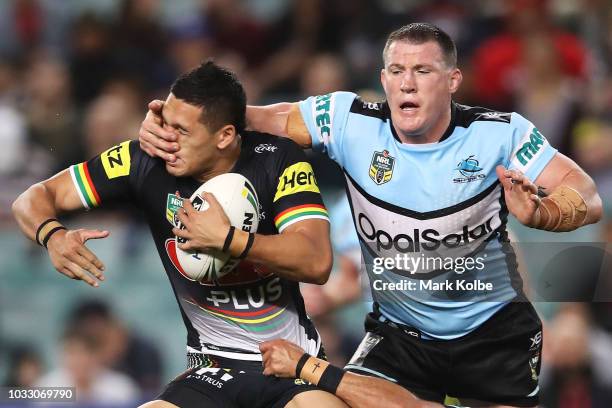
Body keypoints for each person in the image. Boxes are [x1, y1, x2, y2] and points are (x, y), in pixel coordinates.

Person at [139, 23, 603, 407]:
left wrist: (546, 213)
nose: (407, 82)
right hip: (400, 337)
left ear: (453, 80)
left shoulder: (499, 135)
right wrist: (172, 124)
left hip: (493, 337)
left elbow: (586, 193)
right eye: (397, 70)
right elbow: (261, 118)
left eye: (422, 70)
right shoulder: (348, 122)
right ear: (383, 80)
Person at [12, 61, 347, 408]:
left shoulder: (277, 159)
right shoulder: (144, 160)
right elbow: (33, 198)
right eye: (163, 124)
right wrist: (51, 234)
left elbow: (317, 260)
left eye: (182, 131)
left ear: (225, 136)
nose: (166, 139)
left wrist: (228, 239)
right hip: (212, 368)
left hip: (290, 364)